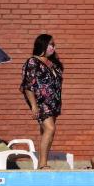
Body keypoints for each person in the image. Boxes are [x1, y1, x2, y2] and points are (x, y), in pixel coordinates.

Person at [20, 34, 64, 169]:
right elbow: (28, 86)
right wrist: (34, 106)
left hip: (54, 102)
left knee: (46, 132)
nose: (53, 47)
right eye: (51, 44)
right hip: (41, 102)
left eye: (54, 44)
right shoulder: (33, 62)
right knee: (50, 129)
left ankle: (42, 163)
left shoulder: (53, 63)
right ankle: (43, 164)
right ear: (43, 45)